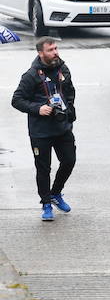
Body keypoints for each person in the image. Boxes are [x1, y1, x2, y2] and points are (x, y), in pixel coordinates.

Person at [11, 38, 78, 221]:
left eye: (56, 48)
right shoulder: (31, 75)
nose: (56, 52)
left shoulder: (63, 69)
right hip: (40, 132)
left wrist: (68, 110)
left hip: (62, 127)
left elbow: (70, 91)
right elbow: (16, 100)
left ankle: (56, 193)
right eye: (51, 50)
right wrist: (38, 109)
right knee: (43, 169)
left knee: (69, 161)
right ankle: (46, 203)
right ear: (41, 53)